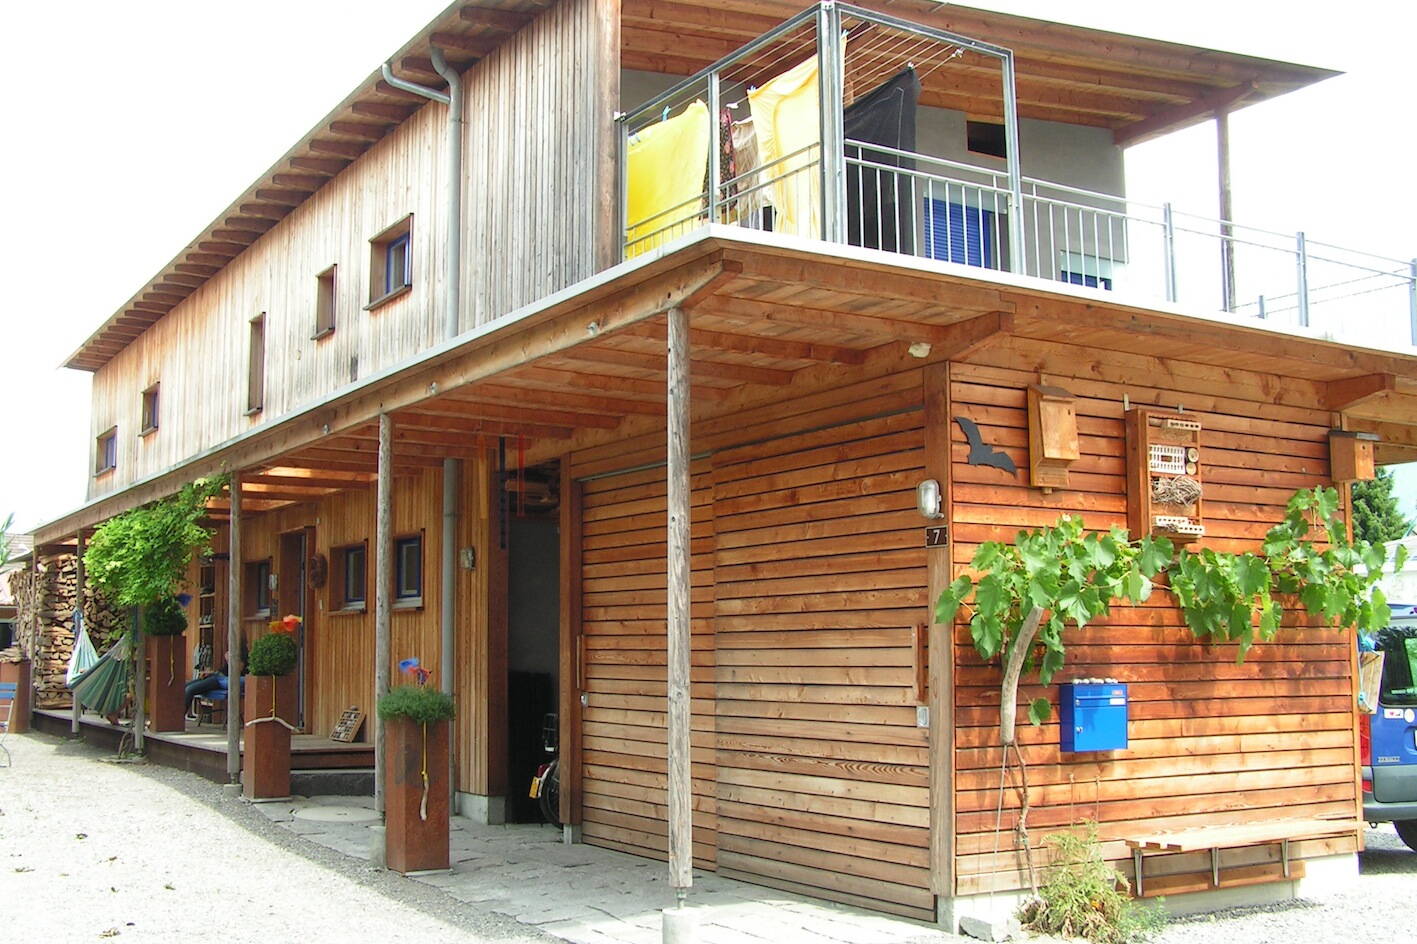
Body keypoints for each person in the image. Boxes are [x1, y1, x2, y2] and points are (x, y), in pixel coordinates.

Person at [184, 639, 248, 719]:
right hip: (217, 676)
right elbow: (224, 671)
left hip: (221, 680)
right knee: (184, 686)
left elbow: (238, 669)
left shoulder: (243, 652)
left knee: (190, 689)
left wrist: (229, 659)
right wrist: (212, 672)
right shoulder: (231, 651)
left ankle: (178, 718)